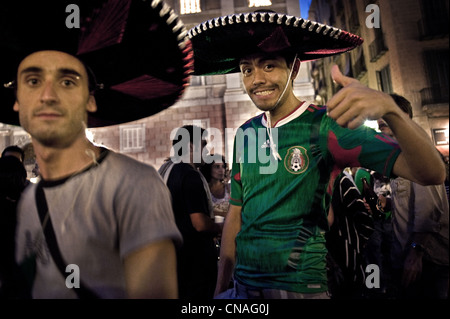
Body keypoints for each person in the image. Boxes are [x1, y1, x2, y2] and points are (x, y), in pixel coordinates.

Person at [187, 11, 446, 299]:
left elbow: (432, 172)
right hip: (242, 289)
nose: (256, 80)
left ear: (294, 69)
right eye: (247, 70)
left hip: (299, 288)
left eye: (269, 66)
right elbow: (236, 214)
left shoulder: (326, 125)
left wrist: (391, 110)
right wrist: (221, 288)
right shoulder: (246, 132)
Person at [0, 0, 193, 299]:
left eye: (67, 81)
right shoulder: (29, 201)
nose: (48, 95)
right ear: (16, 99)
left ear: (90, 99)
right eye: (34, 80)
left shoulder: (134, 185)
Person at [377, 94, 449, 299]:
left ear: (404, 117)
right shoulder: (399, 154)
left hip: (426, 262)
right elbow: (413, 201)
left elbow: (429, 210)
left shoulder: (417, 150)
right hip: (409, 259)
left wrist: (416, 253)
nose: (381, 128)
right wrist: (389, 203)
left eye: (385, 122)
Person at [158, 125, 222, 299]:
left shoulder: (166, 169)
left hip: (173, 258)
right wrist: (222, 227)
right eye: (203, 144)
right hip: (195, 261)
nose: (207, 150)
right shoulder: (189, 175)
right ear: (190, 146)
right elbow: (200, 223)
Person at [326, 167, 374, 299]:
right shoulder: (311, 185)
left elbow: (366, 222)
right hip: (327, 265)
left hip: (349, 265)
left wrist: (354, 247)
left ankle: (376, 288)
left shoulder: (342, 182)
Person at [200, 154, 231, 219]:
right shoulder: (204, 189)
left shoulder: (230, 188)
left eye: (223, 166)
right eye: (217, 167)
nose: (221, 170)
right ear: (208, 168)